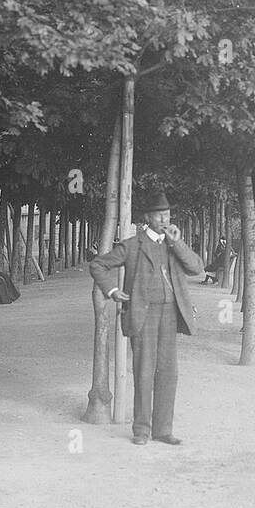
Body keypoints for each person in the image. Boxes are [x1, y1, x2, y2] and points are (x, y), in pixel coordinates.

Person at [89, 191, 204, 446]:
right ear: (148, 218)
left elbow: (197, 268)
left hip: (170, 315)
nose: (165, 219)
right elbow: (98, 265)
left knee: (168, 373)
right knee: (144, 372)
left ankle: (163, 430)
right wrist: (112, 291)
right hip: (143, 315)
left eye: (168, 214)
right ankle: (141, 430)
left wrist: (177, 243)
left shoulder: (173, 243)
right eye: (160, 215)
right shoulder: (132, 246)